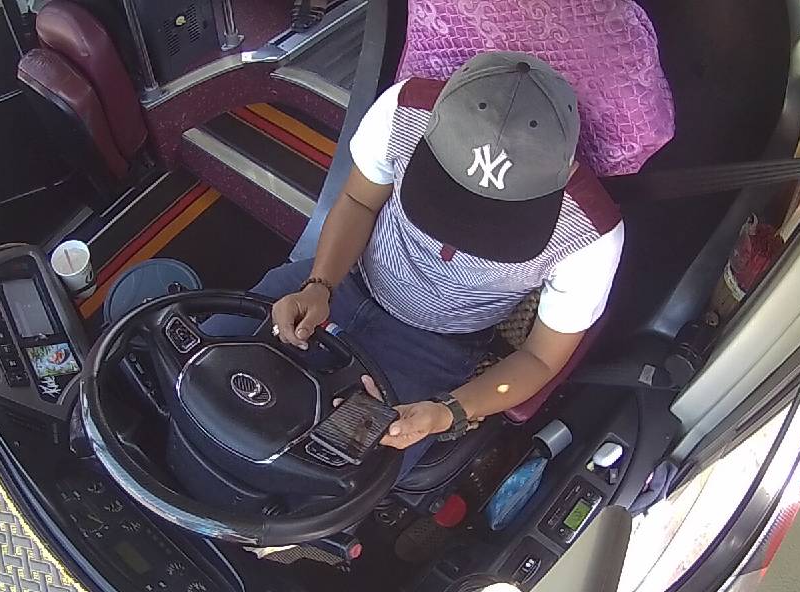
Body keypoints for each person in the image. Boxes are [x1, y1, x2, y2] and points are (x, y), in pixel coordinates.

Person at [243, 51, 623, 487]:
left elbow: (539, 358)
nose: (460, 231)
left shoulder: (590, 235)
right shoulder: (403, 110)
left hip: (435, 345)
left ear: (567, 170)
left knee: (328, 479)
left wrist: (448, 411)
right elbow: (358, 201)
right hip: (345, 277)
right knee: (209, 356)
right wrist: (319, 283)